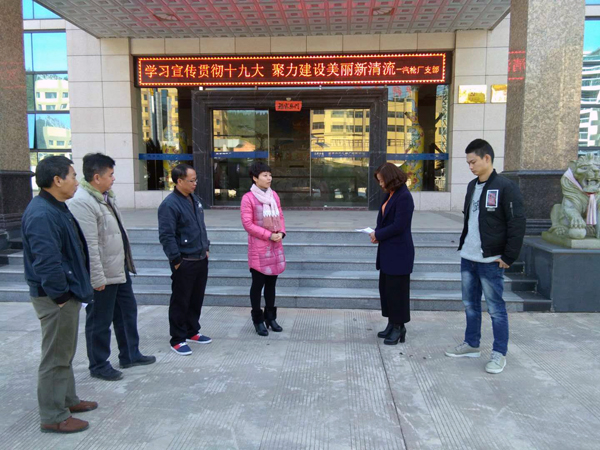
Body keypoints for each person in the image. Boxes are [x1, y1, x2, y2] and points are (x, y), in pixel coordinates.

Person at [22, 155, 97, 433]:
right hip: (55, 298)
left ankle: (67, 400)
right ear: (57, 180)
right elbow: (47, 263)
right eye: (73, 176)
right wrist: (62, 296)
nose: (77, 181)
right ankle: (54, 415)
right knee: (55, 356)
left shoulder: (55, 206)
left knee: (64, 352)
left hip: (64, 293)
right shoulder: (42, 213)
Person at [68, 153, 155, 381]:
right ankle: (99, 364)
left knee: (127, 312)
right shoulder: (83, 202)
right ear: (97, 177)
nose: (114, 178)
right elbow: (89, 245)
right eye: (111, 174)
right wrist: (97, 279)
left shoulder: (106, 197)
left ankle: (130, 354)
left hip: (118, 268)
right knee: (100, 320)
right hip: (102, 274)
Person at [445, 139, 526, 374]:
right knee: (470, 305)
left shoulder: (506, 187)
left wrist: (508, 256)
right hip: (468, 257)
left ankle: (499, 353)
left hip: (491, 260)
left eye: (473, 162)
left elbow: (517, 223)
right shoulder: (472, 186)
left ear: (487, 158)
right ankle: (471, 344)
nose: (470, 166)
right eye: (468, 163)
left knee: (496, 309)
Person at [158, 164, 211, 355]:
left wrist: (206, 247)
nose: (195, 183)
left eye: (196, 179)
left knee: (196, 298)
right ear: (179, 181)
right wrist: (176, 260)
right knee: (181, 300)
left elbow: (201, 226)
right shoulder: (170, 204)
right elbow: (166, 235)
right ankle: (177, 338)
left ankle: (191, 330)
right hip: (185, 260)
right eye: (192, 180)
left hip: (200, 257)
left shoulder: (194, 199)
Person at [370, 162, 415, 345]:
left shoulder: (404, 197)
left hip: (399, 252)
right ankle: (391, 323)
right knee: (387, 290)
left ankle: (399, 327)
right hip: (388, 251)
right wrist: (376, 233)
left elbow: (399, 225)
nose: (380, 184)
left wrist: (379, 234)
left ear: (390, 178)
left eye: (382, 180)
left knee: (398, 292)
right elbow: (384, 220)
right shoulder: (390, 194)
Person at [240, 162, 286, 336]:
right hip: (259, 249)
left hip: (275, 247)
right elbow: (248, 224)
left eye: (270, 175)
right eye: (265, 175)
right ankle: (258, 320)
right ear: (255, 178)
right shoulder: (248, 198)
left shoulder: (274, 195)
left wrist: (281, 232)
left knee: (271, 285)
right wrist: (268, 235)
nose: (269, 178)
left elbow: (280, 216)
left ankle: (271, 318)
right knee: (258, 285)